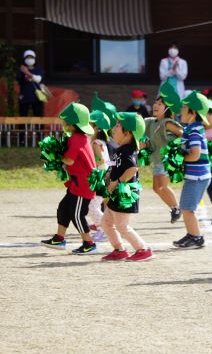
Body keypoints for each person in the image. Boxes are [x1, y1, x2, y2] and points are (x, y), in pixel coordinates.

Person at [41, 103, 97, 254]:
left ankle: (89, 243)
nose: (64, 124)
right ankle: (59, 239)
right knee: (64, 208)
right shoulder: (78, 137)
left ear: (74, 123)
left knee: (77, 214)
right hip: (77, 182)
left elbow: (69, 160)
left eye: (66, 121)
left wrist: (55, 156)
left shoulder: (77, 138)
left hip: (83, 184)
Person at [101, 113, 153, 261]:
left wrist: (116, 182)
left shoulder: (126, 150)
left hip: (125, 193)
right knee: (106, 222)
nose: (114, 128)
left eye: (118, 125)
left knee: (122, 226)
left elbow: (132, 169)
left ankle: (143, 249)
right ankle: (119, 249)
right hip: (117, 192)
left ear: (128, 133)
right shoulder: (121, 149)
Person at [171, 91, 212, 249]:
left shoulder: (194, 130)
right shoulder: (192, 128)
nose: (181, 110)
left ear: (193, 112)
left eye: (184, 107)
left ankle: (196, 237)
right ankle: (191, 234)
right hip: (197, 175)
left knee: (187, 208)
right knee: (187, 206)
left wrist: (179, 160)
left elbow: (194, 155)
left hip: (198, 176)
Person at [145, 83, 184, 223]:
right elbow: (138, 124)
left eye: (160, 104)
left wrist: (176, 152)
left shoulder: (167, 122)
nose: (156, 105)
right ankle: (174, 208)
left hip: (167, 160)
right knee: (156, 188)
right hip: (157, 160)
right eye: (156, 102)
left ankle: (178, 208)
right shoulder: (151, 122)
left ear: (167, 108)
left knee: (162, 186)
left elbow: (182, 135)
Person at [87, 110, 112, 243]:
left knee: (92, 207)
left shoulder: (96, 143)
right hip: (104, 176)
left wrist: (88, 164)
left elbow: (101, 161)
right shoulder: (99, 141)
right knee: (93, 206)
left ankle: (105, 230)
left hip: (101, 177)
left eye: (90, 123)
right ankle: (100, 227)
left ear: (96, 127)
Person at [16, 50, 44, 117]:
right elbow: (18, 79)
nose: (29, 59)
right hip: (24, 96)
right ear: (24, 59)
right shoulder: (20, 70)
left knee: (39, 116)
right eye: (27, 57)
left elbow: (38, 79)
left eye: (31, 57)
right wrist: (24, 72)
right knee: (23, 116)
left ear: (34, 58)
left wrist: (27, 72)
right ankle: (22, 128)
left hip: (37, 96)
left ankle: (39, 128)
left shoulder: (39, 69)